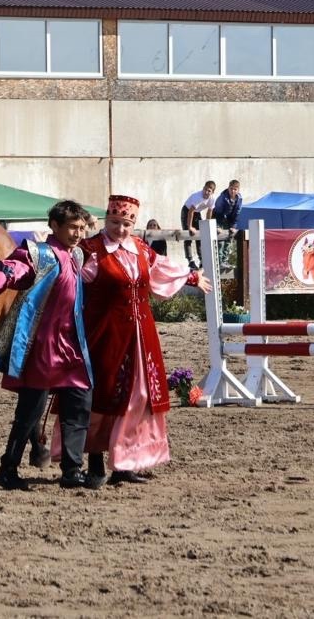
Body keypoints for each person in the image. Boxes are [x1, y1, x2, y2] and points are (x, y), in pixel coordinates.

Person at [80, 194, 211, 486]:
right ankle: (94, 462)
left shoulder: (139, 248)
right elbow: (69, 278)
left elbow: (159, 269)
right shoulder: (90, 250)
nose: (120, 228)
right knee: (103, 395)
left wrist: (191, 278)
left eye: (126, 223)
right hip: (105, 335)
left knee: (137, 397)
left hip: (141, 336)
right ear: (106, 220)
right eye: (115, 222)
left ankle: (125, 463)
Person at [0, 200, 95, 491]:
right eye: (72, 227)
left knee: (80, 402)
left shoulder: (77, 256)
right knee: (31, 410)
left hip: (72, 344)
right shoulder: (39, 253)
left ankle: (72, 470)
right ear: (54, 226)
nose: (78, 233)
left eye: (81, 227)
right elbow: (15, 269)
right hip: (43, 346)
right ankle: (8, 468)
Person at [179, 180, 217, 270]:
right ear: (203, 188)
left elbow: (209, 211)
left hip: (197, 213)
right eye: (205, 189)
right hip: (187, 211)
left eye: (209, 191)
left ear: (212, 193)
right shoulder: (198, 197)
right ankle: (190, 260)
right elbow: (190, 212)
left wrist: (208, 223)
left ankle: (201, 260)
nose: (206, 192)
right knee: (189, 235)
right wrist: (189, 227)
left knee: (200, 236)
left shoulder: (212, 199)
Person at [212, 179, 242, 265]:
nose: (232, 191)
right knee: (221, 239)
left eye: (235, 189)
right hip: (219, 218)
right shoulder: (222, 197)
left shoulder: (239, 199)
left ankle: (225, 260)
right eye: (231, 188)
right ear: (228, 188)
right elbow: (217, 212)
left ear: (238, 190)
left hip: (229, 219)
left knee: (229, 237)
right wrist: (217, 226)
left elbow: (237, 213)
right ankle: (219, 261)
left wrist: (233, 226)